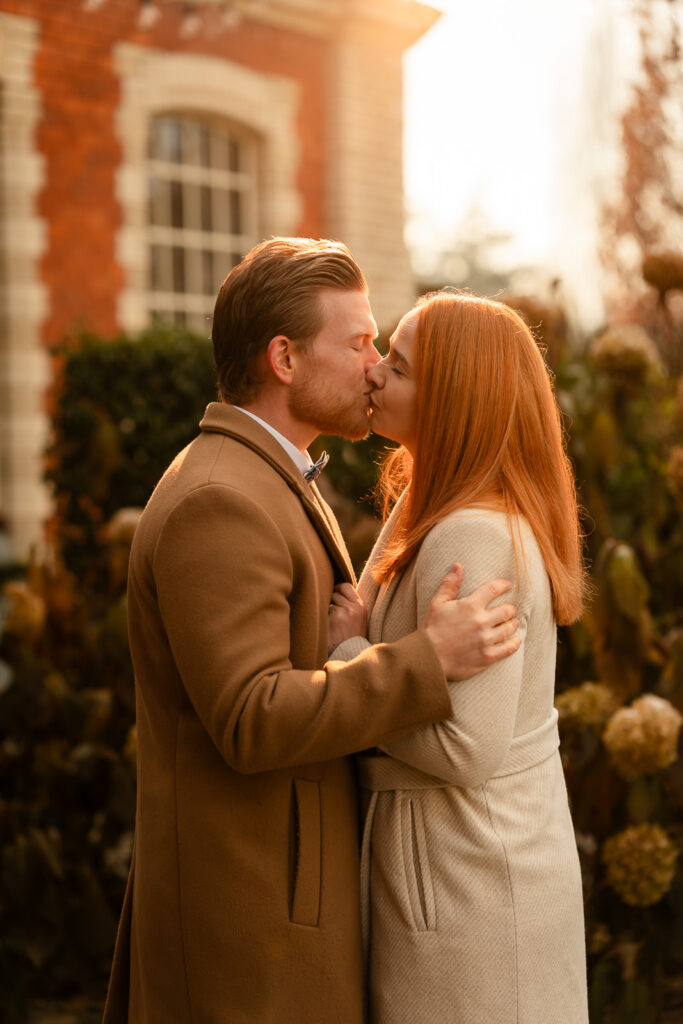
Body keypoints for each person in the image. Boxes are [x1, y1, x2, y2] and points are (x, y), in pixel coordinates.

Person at [103, 240, 521, 1024]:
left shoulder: (267, 474)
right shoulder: (220, 500)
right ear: (284, 358)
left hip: (280, 914)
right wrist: (423, 660)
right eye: (359, 343)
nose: (375, 367)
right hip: (248, 934)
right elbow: (251, 717)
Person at [329, 290, 589, 1024]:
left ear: (453, 400)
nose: (375, 371)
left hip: (472, 886)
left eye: (399, 366)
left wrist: (347, 651)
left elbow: (467, 748)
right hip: (459, 870)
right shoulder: (434, 501)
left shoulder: (471, 534)